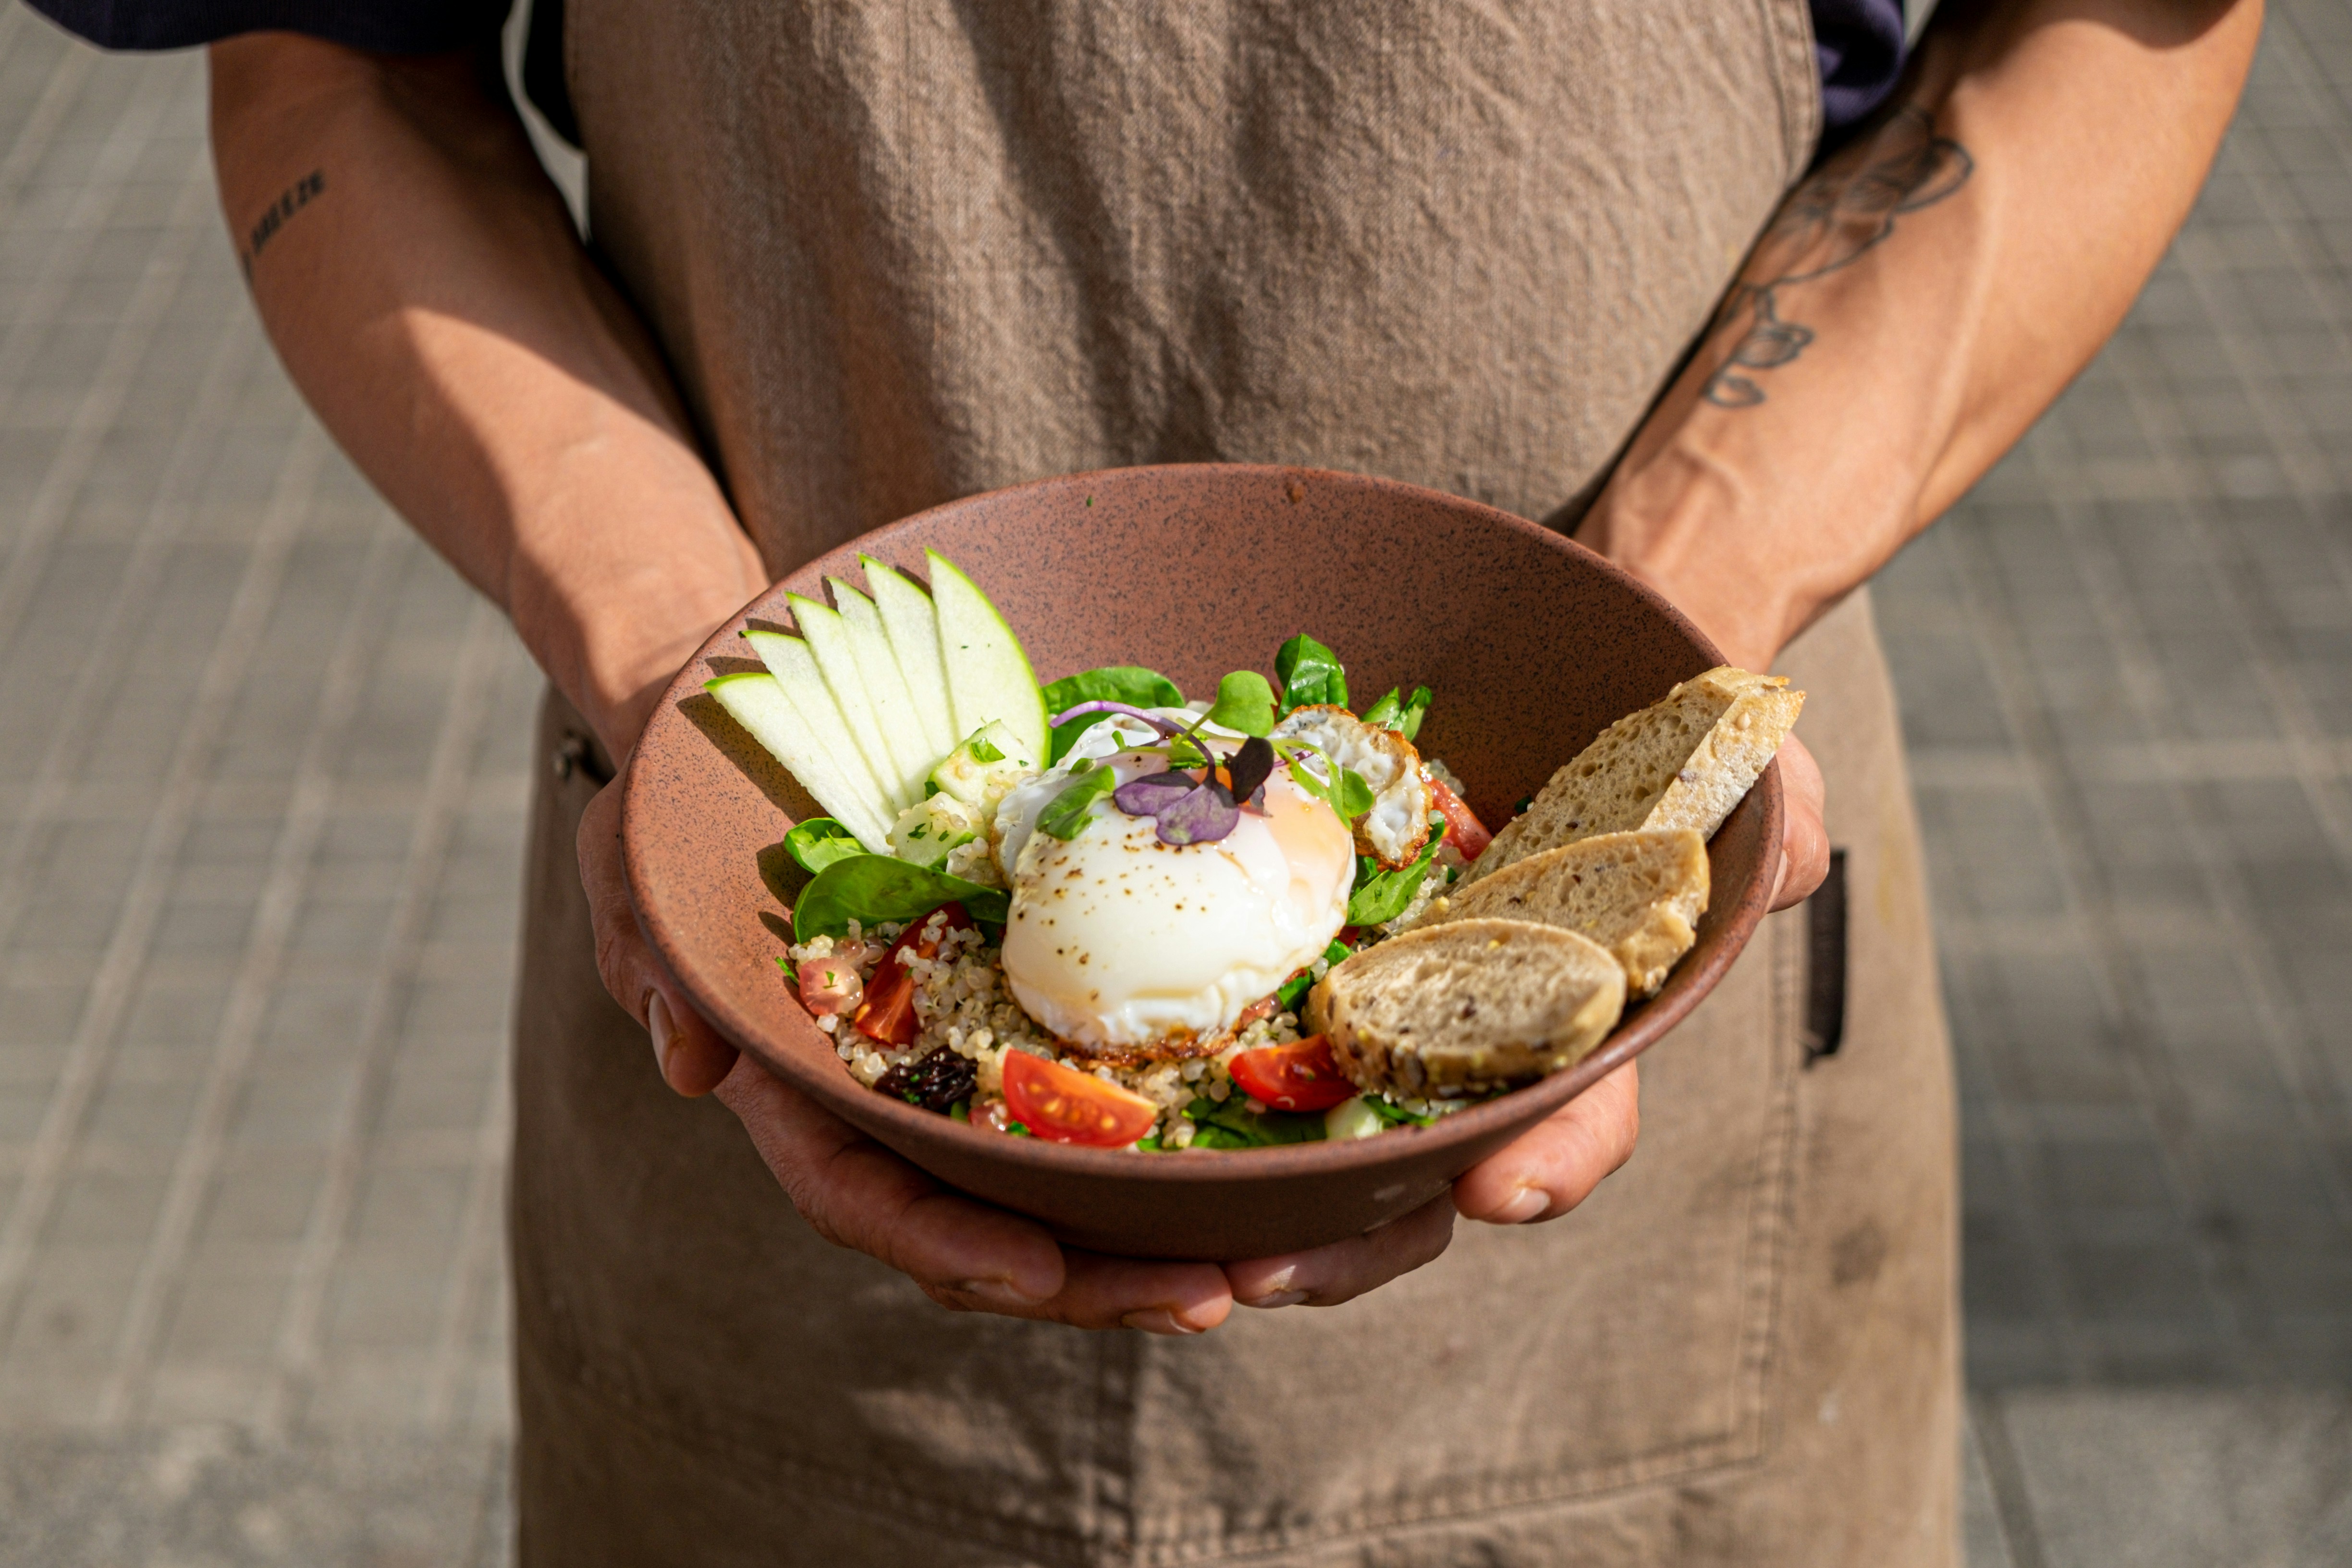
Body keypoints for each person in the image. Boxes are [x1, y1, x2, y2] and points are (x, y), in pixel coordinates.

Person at [32, 0, 2258, 1561]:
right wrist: (679, 675)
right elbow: (332, 55)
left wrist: (1664, 647)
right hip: (768, 1110)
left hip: (1652, 1216)